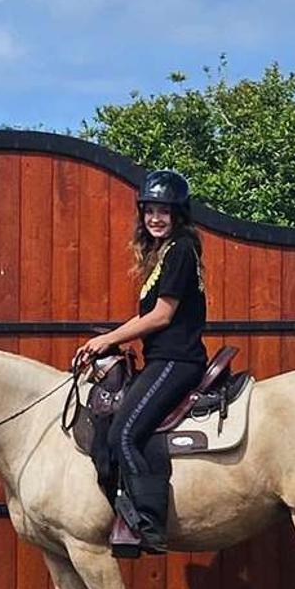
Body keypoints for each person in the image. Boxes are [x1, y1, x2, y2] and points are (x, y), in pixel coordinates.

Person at [73, 169, 208, 556]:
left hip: (177, 360)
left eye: (163, 211)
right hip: (161, 359)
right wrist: (109, 340)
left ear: (178, 214)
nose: (155, 218)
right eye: (149, 210)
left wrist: (107, 339)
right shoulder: (164, 253)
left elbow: (161, 316)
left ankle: (148, 524)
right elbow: (148, 317)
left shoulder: (180, 250)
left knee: (123, 433)